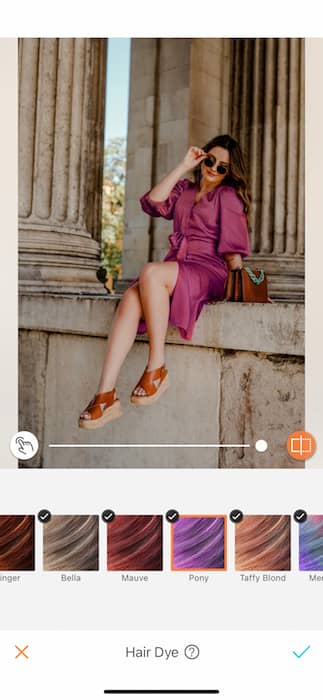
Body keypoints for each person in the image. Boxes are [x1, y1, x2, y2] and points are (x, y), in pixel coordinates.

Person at [79, 134, 251, 430]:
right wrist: (183, 166)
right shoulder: (185, 189)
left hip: (209, 271)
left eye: (222, 167)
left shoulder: (227, 197)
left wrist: (246, 285)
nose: (213, 168)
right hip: (178, 267)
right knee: (132, 297)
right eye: (210, 160)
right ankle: (104, 395)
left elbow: (234, 251)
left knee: (151, 272)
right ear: (202, 157)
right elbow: (152, 202)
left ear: (230, 173)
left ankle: (156, 367)